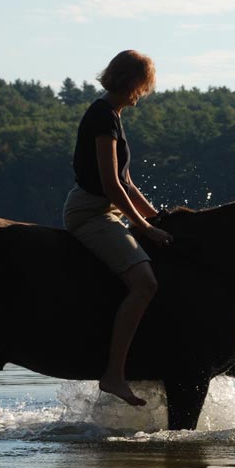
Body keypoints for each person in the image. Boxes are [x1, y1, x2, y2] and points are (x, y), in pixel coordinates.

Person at [63, 50, 173, 407]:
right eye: (144, 85)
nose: (144, 92)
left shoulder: (112, 116)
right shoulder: (102, 116)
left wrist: (158, 219)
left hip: (106, 211)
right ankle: (113, 375)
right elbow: (110, 186)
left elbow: (126, 182)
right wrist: (143, 226)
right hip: (91, 214)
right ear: (131, 83)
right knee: (145, 283)